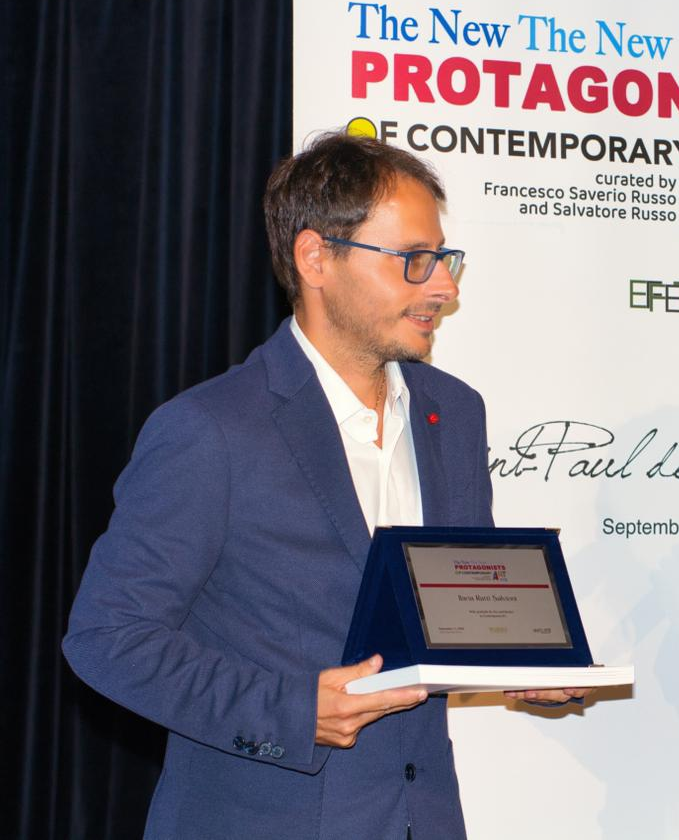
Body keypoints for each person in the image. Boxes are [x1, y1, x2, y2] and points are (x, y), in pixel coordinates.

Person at [62, 131, 584, 840]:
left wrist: (523, 663)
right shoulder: (211, 429)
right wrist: (292, 711)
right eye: (414, 260)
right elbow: (107, 638)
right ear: (316, 258)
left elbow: (448, 613)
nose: (445, 287)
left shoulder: (455, 414)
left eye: (444, 259)